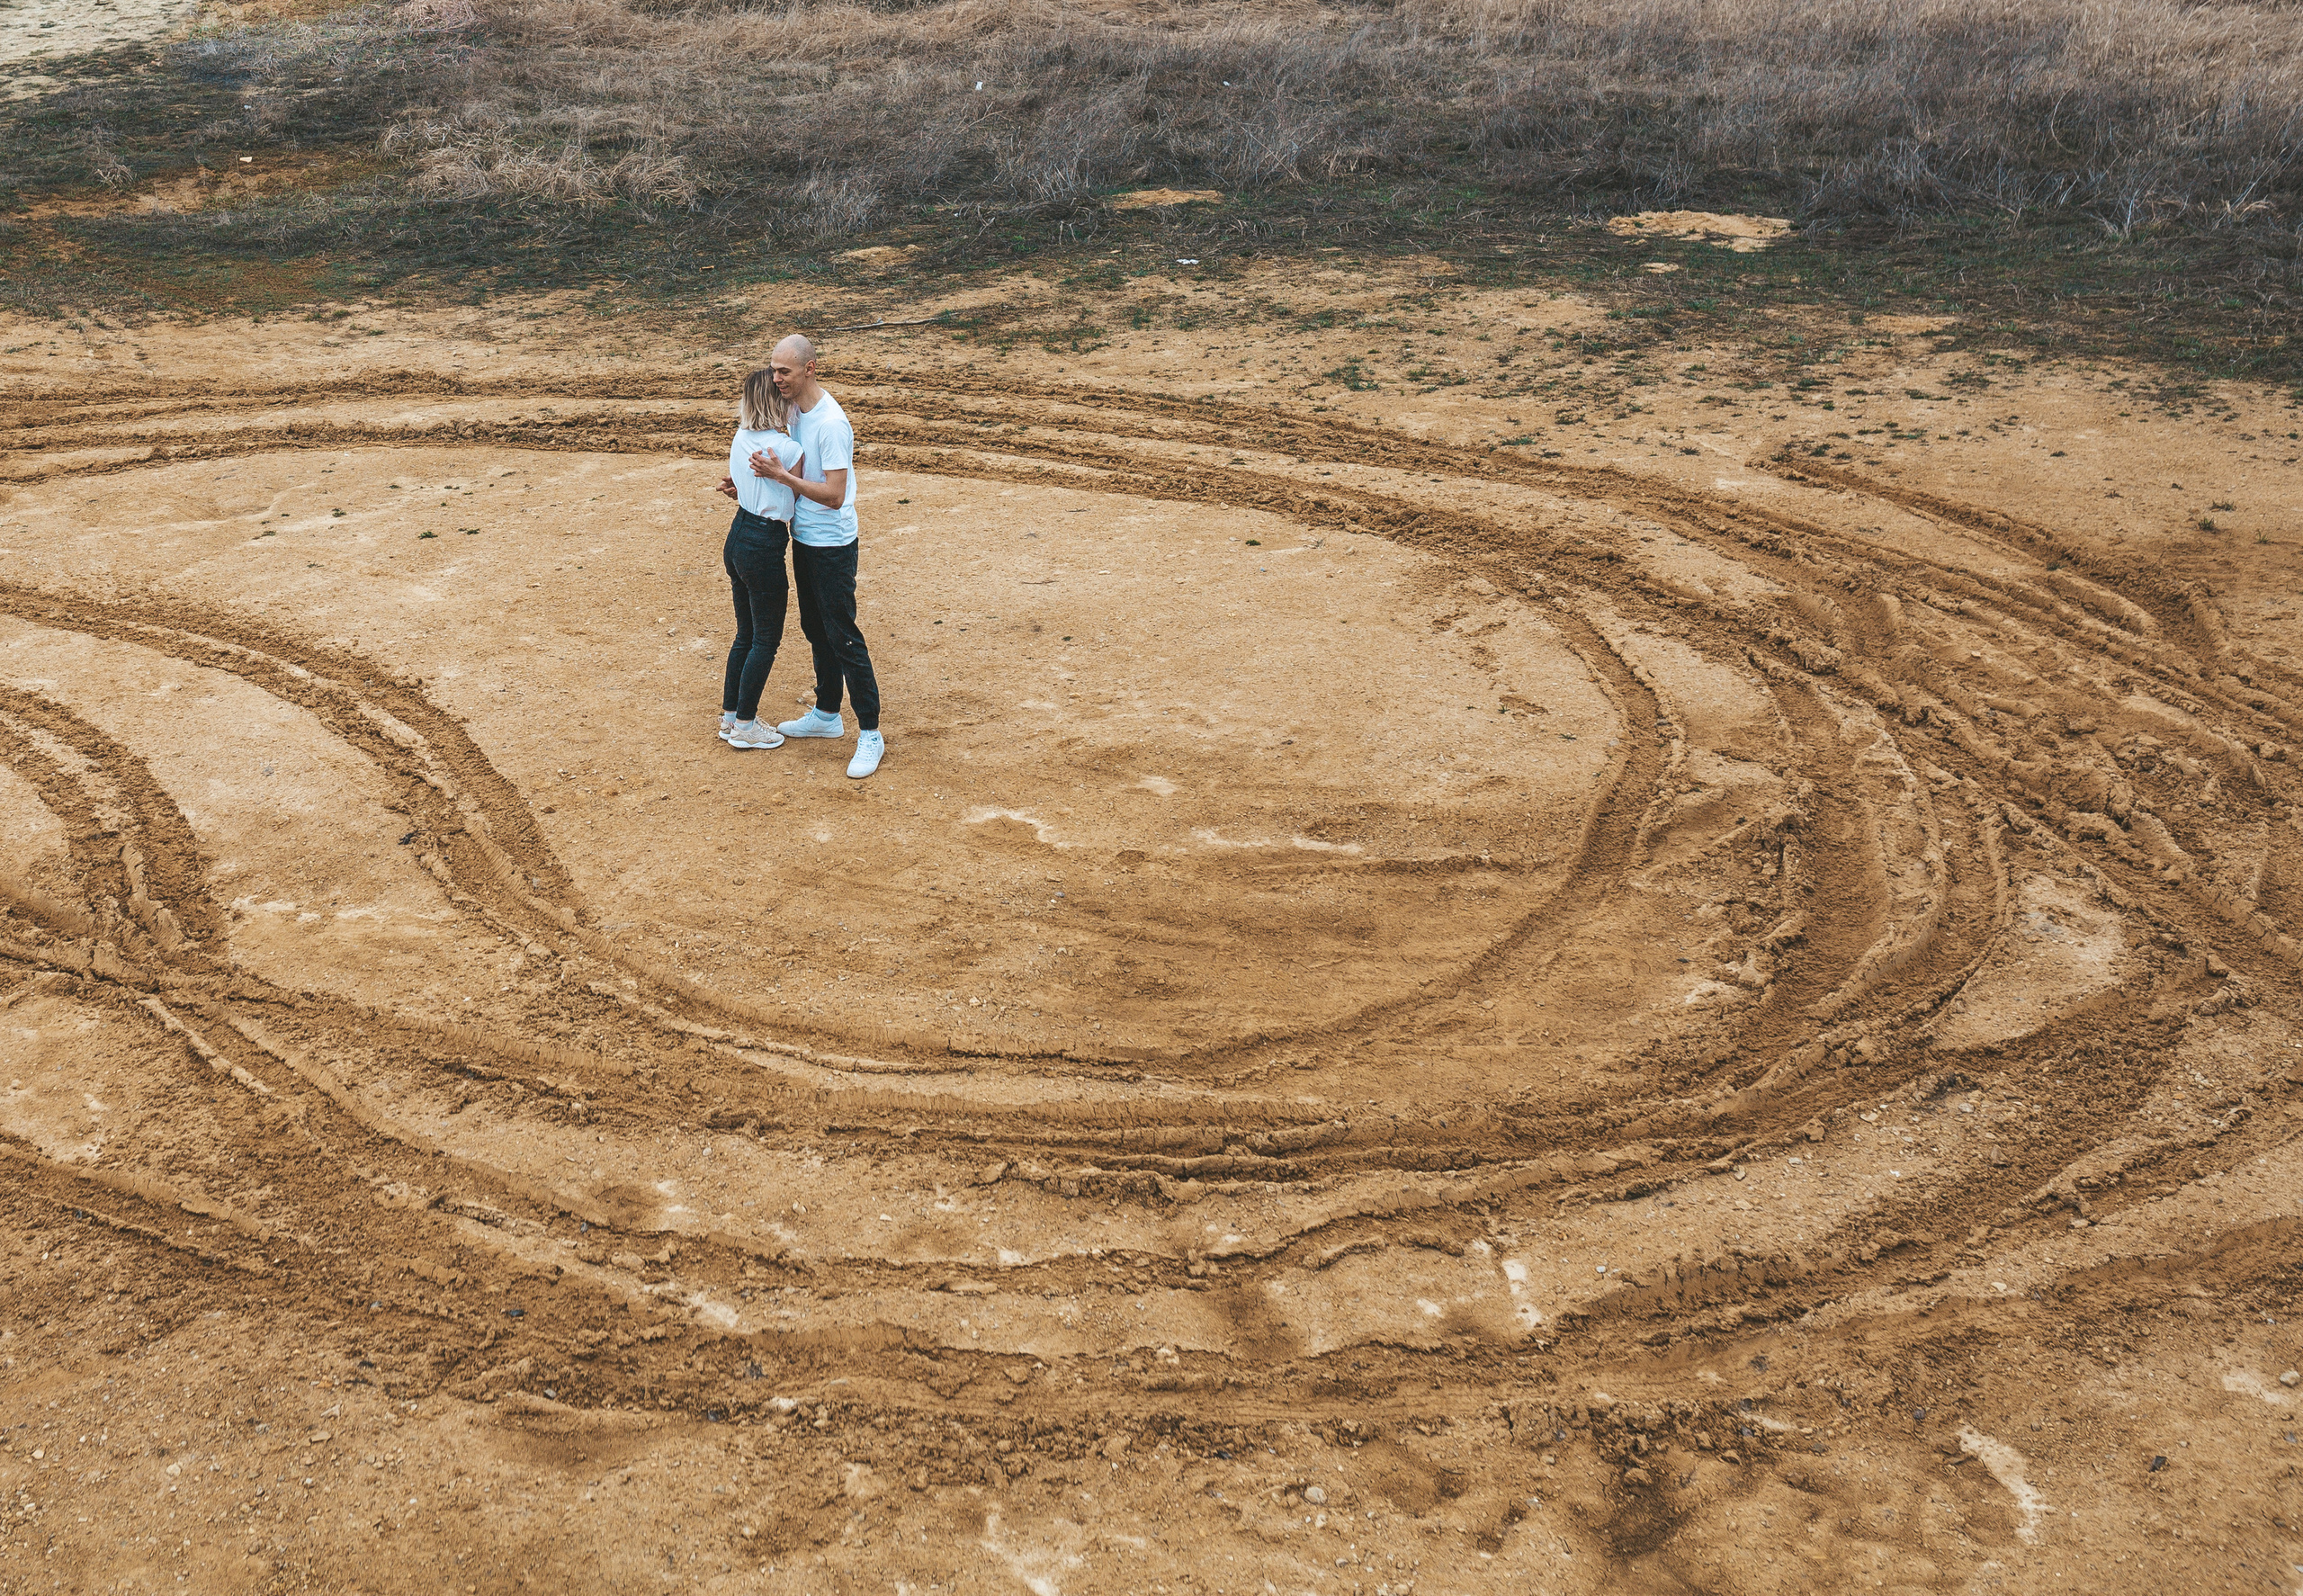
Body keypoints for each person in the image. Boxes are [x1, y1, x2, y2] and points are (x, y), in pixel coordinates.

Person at [746, 333, 883, 780]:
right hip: (805, 538)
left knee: (842, 634)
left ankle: (870, 733)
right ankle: (826, 714)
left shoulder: (829, 424)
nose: (776, 378)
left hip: (833, 545)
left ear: (810, 369)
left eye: (784, 371)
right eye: (773, 369)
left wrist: (782, 478)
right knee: (814, 627)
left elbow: (835, 495)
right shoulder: (793, 411)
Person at [713, 368, 804, 750]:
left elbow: (750, 486)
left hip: (737, 536)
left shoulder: (741, 436)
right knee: (766, 638)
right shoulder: (787, 449)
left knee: (746, 634)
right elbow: (799, 497)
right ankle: (746, 726)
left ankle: (731, 716)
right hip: (764, 544)